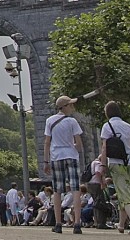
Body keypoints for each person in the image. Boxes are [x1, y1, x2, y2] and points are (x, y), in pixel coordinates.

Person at [100, 100, 130, 234]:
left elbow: (104, 148)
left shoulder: (107, 126)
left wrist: (103, 165)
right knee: (124, 193)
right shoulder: (128, 126)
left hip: (116, 163)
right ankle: (121, 224)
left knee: (124, 195)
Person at [44, 95, 84, 234]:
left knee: (57, 190)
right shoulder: (72, 122)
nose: (73, 107)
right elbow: (79, 144)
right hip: (71, 155)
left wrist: (46, 161)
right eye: (71, 105)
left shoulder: (49, 121)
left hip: (56, 156)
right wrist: (73, 146)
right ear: (65, 107)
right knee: (76, 189)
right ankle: (77, 223)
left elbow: (47, 142)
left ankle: (58, 224)